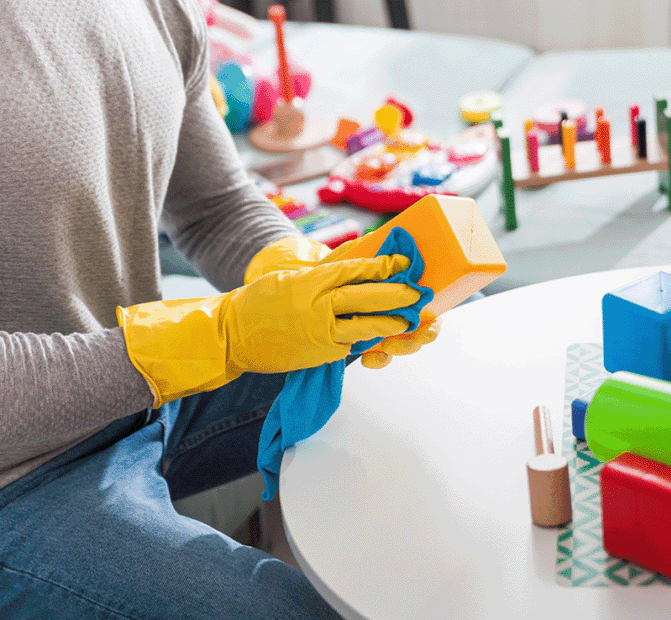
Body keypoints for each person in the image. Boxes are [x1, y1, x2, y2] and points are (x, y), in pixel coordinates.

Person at [0, 1, 438, 617]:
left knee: (441, 334)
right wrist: (225, 335)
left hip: (138, 394)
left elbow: (215, 207)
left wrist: (305, 273)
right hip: (17, 479)